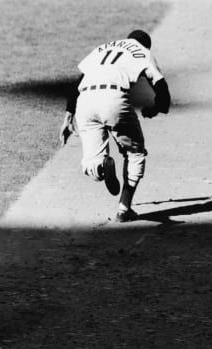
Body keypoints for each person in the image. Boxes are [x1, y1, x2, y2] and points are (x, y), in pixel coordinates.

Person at [59, 30, 171, 222]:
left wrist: (68, 116)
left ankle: (102, 165)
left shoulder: (103, 48)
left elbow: (79, 81)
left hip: (85, 101)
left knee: (90, 163)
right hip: (113, 99)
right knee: (135, 153)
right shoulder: (142, 52)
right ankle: (124, 208)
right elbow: (161, 89)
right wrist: (155, 109)